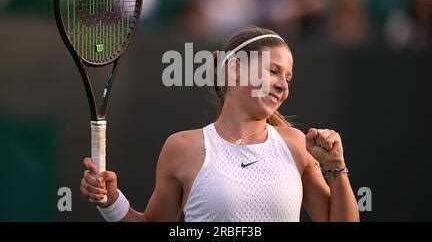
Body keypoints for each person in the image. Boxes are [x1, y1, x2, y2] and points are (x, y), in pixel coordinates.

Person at [80, 27, 360, 222]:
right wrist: (111, 201)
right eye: (273, 71)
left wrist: (335, 167)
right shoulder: (182, 148)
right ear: (235, 68)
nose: (282, 85)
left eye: (288, 78)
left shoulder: (295, 144)